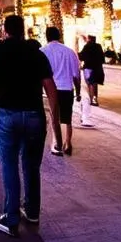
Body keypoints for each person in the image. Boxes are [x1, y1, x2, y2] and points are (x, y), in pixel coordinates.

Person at [0, 14, 63, 238]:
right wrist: (56, 123)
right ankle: (33, 211)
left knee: (9, 164)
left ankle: (10, 217)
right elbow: (50, 87)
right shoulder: (35, 53)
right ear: (23, 30)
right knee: (31, 165)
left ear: (5, 30)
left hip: (7, 113)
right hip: (34, 114)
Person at [41, 26, 81, 156]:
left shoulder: (42, 51)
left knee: (55, 117)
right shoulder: (70, 52)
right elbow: (76, 75)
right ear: (59, 36)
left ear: (47, 36)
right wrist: (78, 91)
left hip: (51, 90)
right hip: (67, 88)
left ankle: (56, 144)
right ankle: (68, 143)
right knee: (67, 118)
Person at [79, 35, 105, 106]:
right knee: (94, 84)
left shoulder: (87, 46)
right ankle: (94, 99)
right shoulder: (98, 46)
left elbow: (81, 56)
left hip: (88, 68)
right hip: (97, 68)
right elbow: (102, 58)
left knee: (90, 84)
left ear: (89, 39)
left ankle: (92, 100)